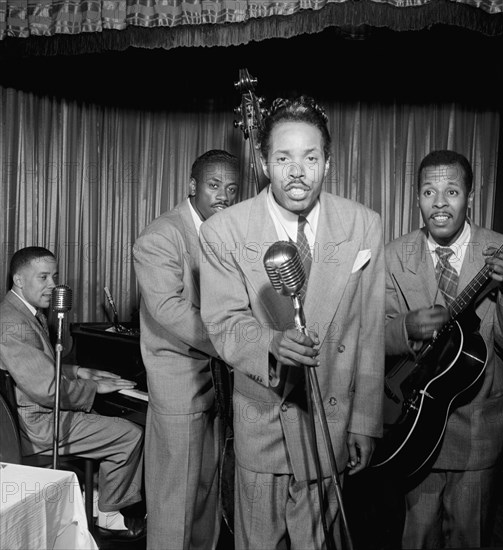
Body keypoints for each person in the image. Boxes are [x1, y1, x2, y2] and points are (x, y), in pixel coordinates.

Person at [199, 96, 385, 550]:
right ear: (264, 162)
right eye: (283, 158)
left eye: (310, 157)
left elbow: (369, 329)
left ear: (328, 162)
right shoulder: (224, 231)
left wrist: (365, 420)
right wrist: (271, 343)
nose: (297, 171)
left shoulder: (364, 225)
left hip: (332, 420)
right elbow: (223, 321)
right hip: (263, 417)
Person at [384, 149, 503, 548]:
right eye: (429, 192)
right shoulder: (394, 256)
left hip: (478, 428)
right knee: (418, 537)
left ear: (470, 197)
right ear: (416, 198)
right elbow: (375, 334)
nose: (439, 203)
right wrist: (405, 327)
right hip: (412, 425)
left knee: (469, 538)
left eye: (452, 191)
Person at [0, 246, 146, 540]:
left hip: (32, 415)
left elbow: (40, 366)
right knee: (130, 434)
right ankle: (108, 514)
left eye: (54, 276)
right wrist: (93, 388)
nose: (53, 286)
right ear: (18, 279)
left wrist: (78, 371)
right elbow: (47, 388)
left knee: (104, 416)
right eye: (43, 277)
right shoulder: (13, 324)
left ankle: (90, 498)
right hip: (37, 428)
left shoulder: (21, 311)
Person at [133, 149, 240, 550]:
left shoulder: (228, 232)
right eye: (214, 186)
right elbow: (169, 309)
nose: (224, 196)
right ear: (193, 186)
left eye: (231, 188)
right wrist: (237, 344)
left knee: (206, 499)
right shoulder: (161, 236)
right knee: (173, 503)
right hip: (180, 386)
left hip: (220, 383)